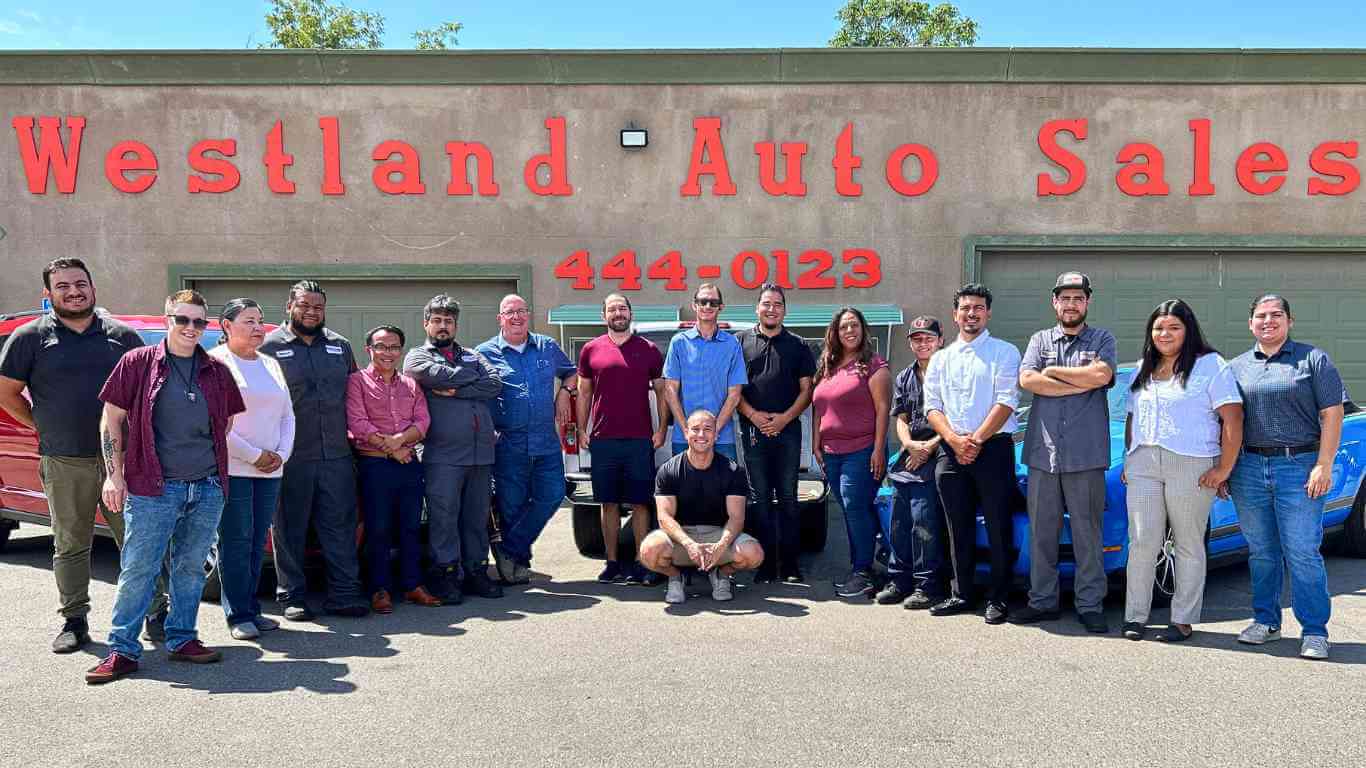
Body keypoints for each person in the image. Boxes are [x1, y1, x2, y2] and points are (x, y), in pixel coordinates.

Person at [0, 258, 165, 653]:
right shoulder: (28, 338)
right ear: (48, 294)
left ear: (93, 287)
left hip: (124, 462)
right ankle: (75, 621)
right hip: (64, 461)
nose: (74, 291)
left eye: (80, 283)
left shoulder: (122, 337)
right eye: (63, 286)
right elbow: (6, 393)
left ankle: (157, 612)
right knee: (71, 543)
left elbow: (146, 396)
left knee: (140, 542)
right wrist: (41, 425)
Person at [85, 290, 245, 684]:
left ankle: (182, 638)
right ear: (167, 319)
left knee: (190, 569)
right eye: (182, 320)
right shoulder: (138, 363)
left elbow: (226, 423)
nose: (191, 328)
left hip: (207, 486)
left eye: (198, 322)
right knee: (139, 569)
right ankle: (122, 649)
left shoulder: (216, 371)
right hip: (152, 487)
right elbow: (111, 421)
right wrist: (114, 474)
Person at [1228, 295, 1345, 660]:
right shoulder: (1236, 367)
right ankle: (1266, 621)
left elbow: (1332, 413)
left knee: (1302, 552)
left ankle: (1314, 631)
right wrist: (1224, 468)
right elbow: (1228, 422)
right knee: (1262, 552)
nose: (1268, 321)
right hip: (1248, 468)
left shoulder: (1313, 359)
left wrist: (1323, 464)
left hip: (1299, 466)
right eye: (1260, 316)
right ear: (1250, 324)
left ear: (1289, 321)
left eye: (1276, 315)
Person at [1122, 299, 1243, 643]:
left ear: (1188, 330)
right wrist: (1129, 457)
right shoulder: (1143, 367)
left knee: (1188, 542)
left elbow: (1233, 419)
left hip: (1191, 463)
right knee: (1143, 541)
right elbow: (1133, 416)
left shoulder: (1210, 365)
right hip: (1143, 463)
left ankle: (1182, 619)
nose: (1165, 333)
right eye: (1159, 327)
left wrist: (1223, 469)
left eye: (1174, 327)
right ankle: (1135, 616)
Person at [1013, 272, 1118, 634]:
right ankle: (1042, 602)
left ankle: (1090, 605)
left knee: (1088, 534)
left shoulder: (1102, 339)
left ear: (1087, 302)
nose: (1071, 304)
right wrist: (1079, 379)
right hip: (1042, 455)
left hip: (1086, 456)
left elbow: (1101, 376)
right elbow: (1027, 380)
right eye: (1065, 298)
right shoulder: (1039, 339)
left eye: (1078, 298)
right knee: (1042, 532)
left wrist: (1054, 372)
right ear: (1054, 302)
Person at [259, 280, 369, 620]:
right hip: (291, 456)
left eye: (317, 307)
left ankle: (344, 592)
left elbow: (356, 396)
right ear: (289, 305)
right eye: (304, 305)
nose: (311, 312)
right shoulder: (268, 346)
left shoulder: (340, 346)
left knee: (340, 525)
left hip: (336, 454)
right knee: (289, 527)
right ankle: (292, 596)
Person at [924, 283, 1021, 624]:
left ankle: (999, 597)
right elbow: (932, 407)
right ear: (955, 314)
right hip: (951, 450)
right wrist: (954, 440)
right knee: (957, 526)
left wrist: (975, 441)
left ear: (988, 312)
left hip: (992, 448)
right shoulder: (940, 359)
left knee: (998, 525)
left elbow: (1007, 400)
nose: (972, 313)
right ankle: (961, 593)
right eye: (966, 308)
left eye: (978, 307)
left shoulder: (1005, 352)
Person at [403, 294, 505, 602]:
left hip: (480, 453)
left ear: (456, 325)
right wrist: (470, 382)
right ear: (426, 324)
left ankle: (475, 571)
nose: (443, 326)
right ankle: (445, 575)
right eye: (437, 320)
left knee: (475, 518)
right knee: (444, 518)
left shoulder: (473, 355)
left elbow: (495, 382)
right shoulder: (416, 356)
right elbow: (431, 375)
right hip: (442, 454)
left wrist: (455, 390)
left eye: (448, 321)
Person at [209, 298, 295, 640]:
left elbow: (287, 415)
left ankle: (253, 609)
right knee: (236, 541)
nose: (259, 327)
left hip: (271, 469)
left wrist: (281, 454)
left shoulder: (271, 364)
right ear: (227, 326)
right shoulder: (216, 363)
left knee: (258, 541)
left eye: (260, 320)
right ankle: (238, 614)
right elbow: (216, 423)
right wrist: (253, 455)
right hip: (235, 469)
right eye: (249, 321)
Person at [477, 294, 577, 585]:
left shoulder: (546, 346)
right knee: (512, 506)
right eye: (510, 312)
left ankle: (508, 549)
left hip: (546, 441)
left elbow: (571, 374)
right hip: (508, 443)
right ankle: (518, 564)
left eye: (521, 311)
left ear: (528, 314)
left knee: (553, 495)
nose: (516, 317)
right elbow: (474, 393)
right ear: (500, 318)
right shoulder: (484, 353)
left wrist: (565, 393)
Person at [347, 325, 442, 613]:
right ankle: (379, 589)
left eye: (393, 347)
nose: (387, 353)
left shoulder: (411, 385)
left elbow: (422, 422)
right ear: (369, 350)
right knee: (378, 528)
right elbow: (357, 423)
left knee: (411, 527)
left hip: (409, 465)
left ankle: (413, 585)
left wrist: (401, 442)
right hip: (374, 465)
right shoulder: (356, 382)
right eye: (381, 347)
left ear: (400, 350)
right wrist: (393, 449)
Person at [576, 293, 669, 585]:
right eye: (612, 309)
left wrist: (662, 427)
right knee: (608, 503)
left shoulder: (649, 349)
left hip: (640, 439)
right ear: (604, 315)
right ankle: (612, 563)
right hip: (603, 439)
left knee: (642, 503)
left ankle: (643, 563)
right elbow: (585, 392)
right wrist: (581, 428)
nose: (618, 313)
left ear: (630, 313)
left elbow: (662, 391)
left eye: (623, 308)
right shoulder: (591, 350)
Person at [734, 284, 816, 584]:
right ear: (757, 308)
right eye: (766, 304)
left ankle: (791, 565)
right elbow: (734, 390)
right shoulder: (739, 342)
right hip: (752, 432)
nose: (772, 309)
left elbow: (808, 390)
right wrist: (754, 416)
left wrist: (783, 419)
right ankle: (766, 565)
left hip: (788, 432)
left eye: (777, 304)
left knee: (788, 498)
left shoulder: (798, 345)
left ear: (784, 309)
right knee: (760, 500)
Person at [639, 409, 764, 604]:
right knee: (648, 552)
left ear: (716, 434)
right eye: (695, 429)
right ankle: (675, 577)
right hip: (681, 538)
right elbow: (664, 517)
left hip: (718, 534)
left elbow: (737, 518)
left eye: (707, 429)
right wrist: (689, 544)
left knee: (753, 554)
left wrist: (720, 546)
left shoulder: (732, 471)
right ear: (686, 433)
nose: (701, 435)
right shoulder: (669, 470)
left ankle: (721, 575)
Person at [811, 307, 891, 599]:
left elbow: (883, 409)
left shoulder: (874, 365)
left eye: (854, 325)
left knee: (855, 507)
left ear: (863, 329)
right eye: (843, 326)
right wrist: (816, 443)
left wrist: (879, 449)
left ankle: (862, 572)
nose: (849, 331)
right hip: (832, 452)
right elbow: (819, 406)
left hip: (862, 449)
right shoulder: (828, 366)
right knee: (851, 510)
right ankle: (869, 565)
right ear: (835, 332)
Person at [878, 316, 949, 609]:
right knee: (899, 522)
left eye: (928, 338)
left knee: (924, 523)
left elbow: (959, 417)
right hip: (910, 455)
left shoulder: (950, 372)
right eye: (917, 339)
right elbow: (902, 419)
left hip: (939, 450)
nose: (923, 343)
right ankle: (899, 579)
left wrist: (930, 447)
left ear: (940, 340)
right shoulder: (905, 376)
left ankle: (927, 586)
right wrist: (908, 444)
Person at [663, 283, 747, 460]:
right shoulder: (679, 343)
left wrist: (714, 430)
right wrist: (687, 429)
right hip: (684, 437)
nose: (707, 306)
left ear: (721, 307)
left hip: (722, 437)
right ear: (695, 305)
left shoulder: (732, 345)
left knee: (725, 487)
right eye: (703, 302)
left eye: (713, 302)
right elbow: (670, 391)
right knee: (685, 487)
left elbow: (734, 395)